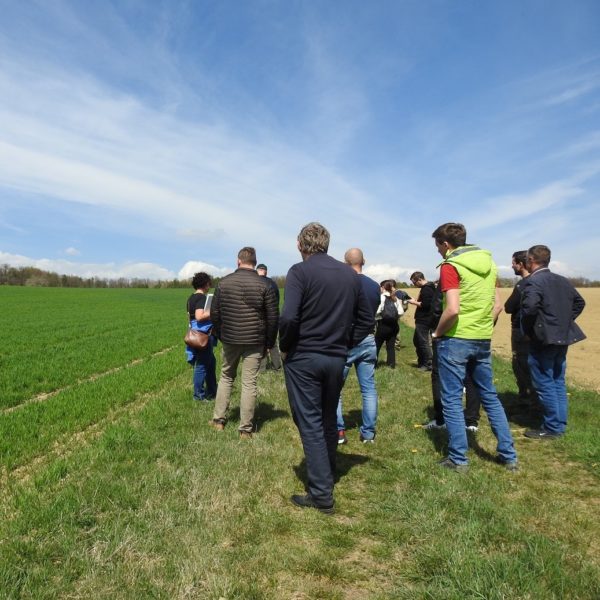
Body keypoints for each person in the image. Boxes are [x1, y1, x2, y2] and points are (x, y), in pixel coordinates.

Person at [280, 223, 372, 514]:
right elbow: (367, 319)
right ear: (327, 244)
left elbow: (289, 317)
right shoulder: (349, 274)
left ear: (299, 245)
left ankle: (321, 494)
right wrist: (346, 344)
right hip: (335, 357)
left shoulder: (299, 272)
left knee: (310, 421)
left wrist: (286, 345)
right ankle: (327, 472)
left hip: (304, 356)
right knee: (327, 417)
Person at [431, 222, 517, 471]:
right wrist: (483, 327)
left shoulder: (450, 265)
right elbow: (497, 305)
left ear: (445, 244)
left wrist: (437, 332)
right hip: (481, 337)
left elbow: (452, 309)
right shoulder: (489, 265)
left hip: (455, 339)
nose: (438, 251)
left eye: (437, 246)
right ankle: (508, 455)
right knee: (489, 396)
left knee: (451, 398)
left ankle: (458, 458)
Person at [209, 247, 279, 438]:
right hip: (255, 340)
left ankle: (218, 420)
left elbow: (215, 313)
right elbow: (273, 317)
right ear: (255, 262)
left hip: (230, 339)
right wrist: (269, 343)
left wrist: (221, 334)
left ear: (238, 261)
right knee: (249, 382)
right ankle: (245, 429)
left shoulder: (223, 283)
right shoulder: (265, 284)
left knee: (226, 377)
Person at [520, 244, 586, 439]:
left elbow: (530, 308)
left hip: (543, 339)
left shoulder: (534, 282)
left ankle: (552, 428)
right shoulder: (562, 280)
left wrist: (533, 329)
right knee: (557, 380)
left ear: (531, 261)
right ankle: (559, 423)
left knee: (545, 382)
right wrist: (562, 321)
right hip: (561, 336)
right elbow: (579, 303)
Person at [422, 281, 481, 432]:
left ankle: (442, 418)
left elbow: (438, 307)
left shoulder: (449, 274)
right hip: (476, 330)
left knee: (438, 373)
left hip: (449, 332)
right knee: (471, 377)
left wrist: (435, 331)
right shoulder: (479, 279)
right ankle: (471, 420)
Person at [335, 248, 380, 445]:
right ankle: (368, 433)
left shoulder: (342, 284)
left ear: (345, 263)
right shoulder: (374, 285)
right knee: (368, 389)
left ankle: (338, 431)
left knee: (334, 389)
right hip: (369, 339)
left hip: (346, 341)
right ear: (365, 261)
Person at [503, 250, 535, 403]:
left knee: (521, 364)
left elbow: (509, 307)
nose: (512, 266)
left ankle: (526, 402)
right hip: (538, 331)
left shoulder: (523, 284)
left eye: (514, 263)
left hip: (520, 330)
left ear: (521, 264)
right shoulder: (540, 281)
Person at [185, 272, 217, 402]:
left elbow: (190, 317)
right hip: (203, 336)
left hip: (195, 334)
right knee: (202, 365)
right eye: (209, 283)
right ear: (205, 284)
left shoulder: (190, 298)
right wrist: (213, 311)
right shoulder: (202, 298)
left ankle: (213, 390)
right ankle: (198, 395)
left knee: (211, 363)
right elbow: (199, 316)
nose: (210, 285)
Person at [256, 263, 282, 372]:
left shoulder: (255, 283)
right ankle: (277, 366)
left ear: (258, 271)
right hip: (273, 316)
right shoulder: (273, 284)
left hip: (260, 317)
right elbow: (277, 300)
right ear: (266, 271)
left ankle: (262, 368)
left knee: (261, 342)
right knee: (273, 342)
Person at [409, 271, 436, 371]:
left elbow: (426, 305)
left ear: (420, 279)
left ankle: (428, 364)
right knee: (417, 341)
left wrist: (413, 302)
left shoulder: (427, 289)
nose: (414, 285)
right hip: (424, 318)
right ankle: (422, 362)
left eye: (414, 282)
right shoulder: (428, 287)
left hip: (424, 319)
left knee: (423, 342)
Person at [375, 280, 402, 368]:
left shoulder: (382, 297)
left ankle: (373, 364)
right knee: (391, 346)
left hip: (383, 325)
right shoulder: (395, 298)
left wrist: (377, 317)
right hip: (394, 325)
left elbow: (378, 311)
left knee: (377, 345)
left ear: (383, 287)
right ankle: (391, 365)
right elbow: (401, 312)